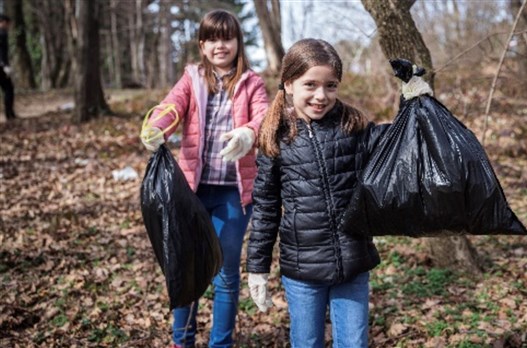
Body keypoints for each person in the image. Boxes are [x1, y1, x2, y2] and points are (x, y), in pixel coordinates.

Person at [246, 38, 388, 348]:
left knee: (353, 343)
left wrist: (414, 100)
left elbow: (397, 144)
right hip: (303, 270)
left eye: (331, 86)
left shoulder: (354, 126)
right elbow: (266, 208)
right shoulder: (276, 138)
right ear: (289, 84)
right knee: (306, 342)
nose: (321, 96)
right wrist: (257, 267)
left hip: (352, 262)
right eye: (310, 84)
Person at [140, 10, 269, 348]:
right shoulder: (192, 77)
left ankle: (220, 343)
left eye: (227, 37)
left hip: (233, 195)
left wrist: (247, 134)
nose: (220, 45)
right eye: (212, 38)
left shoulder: (252, 82)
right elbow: (172, 106)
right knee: (185, 266)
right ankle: (181, 341)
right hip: (190, 193)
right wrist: (156, 126)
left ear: (238, 42)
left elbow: (265, 118)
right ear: (202, 45)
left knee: (225, 273)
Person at [0, 14, 15, 121]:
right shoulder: (2, 34)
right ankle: (9, 113)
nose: (8, 26)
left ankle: (10, 113)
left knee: (8, 89)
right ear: (3, 22)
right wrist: (4, 65)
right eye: (7, 23)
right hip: (1, 67)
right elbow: (1, 52)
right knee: (9, 89)